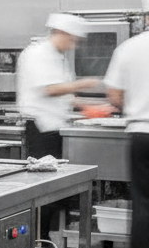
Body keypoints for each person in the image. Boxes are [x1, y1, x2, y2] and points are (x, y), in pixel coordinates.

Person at [103, 0, 149, 248]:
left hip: (143, 134)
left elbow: (114, 95)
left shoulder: (129, 47)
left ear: (146, 17)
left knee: (143, 206)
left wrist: (137, 103)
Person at [16, 14, 100, 160]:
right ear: (61, 33)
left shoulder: (59, 58)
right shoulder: (37, 53)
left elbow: (65, 96)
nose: (73, 46)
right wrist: (83, 84)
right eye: (72, 40)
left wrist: (96, 105)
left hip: (55, 128)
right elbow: (49, 90)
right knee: (44, 170)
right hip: (41, 129)